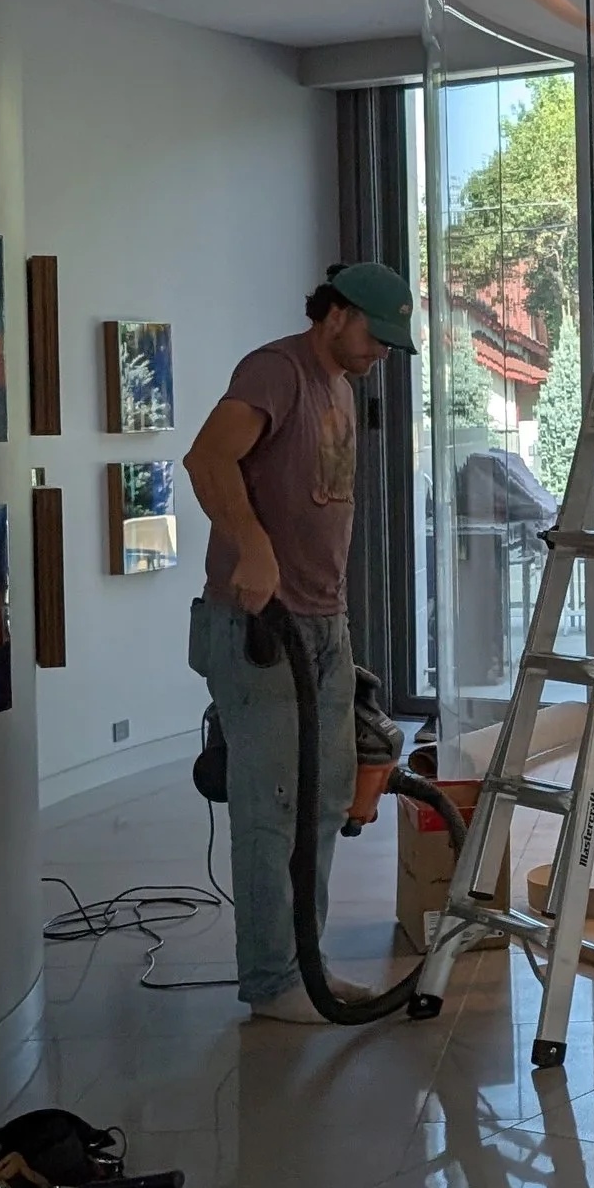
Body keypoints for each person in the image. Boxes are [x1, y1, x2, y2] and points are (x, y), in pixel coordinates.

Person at [184, 260, 415, 1022]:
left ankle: (302, 967)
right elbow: (208, 457)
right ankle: (274, 981)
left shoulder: (342, 389)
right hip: (259, 627)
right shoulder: (276, 370)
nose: (380, 352)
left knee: (322, 800)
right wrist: (250, 544)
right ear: (336, 315)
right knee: (272, 807)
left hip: (323, 624)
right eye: (374, 336)